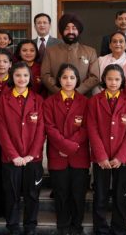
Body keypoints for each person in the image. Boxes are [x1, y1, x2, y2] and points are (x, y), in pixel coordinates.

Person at [0, 62, 45, 235]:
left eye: (25, 75)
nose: (21, 79)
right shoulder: (3, 100)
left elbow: (41, 130)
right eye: (18, 75)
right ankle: (13, 226)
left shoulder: (38, 100)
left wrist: (31, 154)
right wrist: (13, 155)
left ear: (30, 77)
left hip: (33, 159)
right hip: (11, 159)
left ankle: (30, 226)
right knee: (11, 194)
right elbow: (1, 130)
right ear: (12, 77)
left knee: (32, 194)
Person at [87, 64, 126, 235]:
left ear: (122, 80)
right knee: (100, 195)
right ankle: (100, 228)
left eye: (117, 79)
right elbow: (92, 129)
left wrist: (121, 156)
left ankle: (118, 228)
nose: (113, 82)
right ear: (104, 80)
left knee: (120, 196)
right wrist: (101, 156)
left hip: (122, 159)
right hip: (102, 158)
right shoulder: (94, 101)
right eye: (109, 79)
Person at [44, 63, 90, 235]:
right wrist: (64, 146)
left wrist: (70, 147)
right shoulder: (49, 102)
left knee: (78, 194)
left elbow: (87, 128)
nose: (68, 81)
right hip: (58, 155)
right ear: (59, 80)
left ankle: (77, 226)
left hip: (79, 155)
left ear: (77, 80)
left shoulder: (85, 102)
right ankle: (62, 226)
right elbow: (49, 127)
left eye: (72, 77)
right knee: (61, 194)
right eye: (64, 77)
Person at [41, 13, 99, 96]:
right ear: (62, 31)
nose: (70, 32)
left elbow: (94, 77)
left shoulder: (90, 52)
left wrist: (77, 92)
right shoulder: (50, 51)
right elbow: (45, 75)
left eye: (74, 28)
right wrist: (60, 92)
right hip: (55, 98)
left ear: (79, 31)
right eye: (67, 28)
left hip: (82, 99)